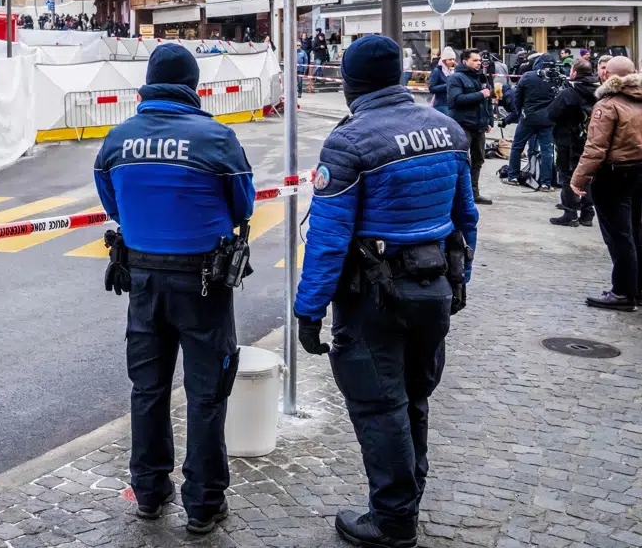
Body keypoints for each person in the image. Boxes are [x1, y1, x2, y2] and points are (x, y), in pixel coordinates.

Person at [294, 34, 478, 548]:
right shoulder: (447, 129)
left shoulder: (350, 142)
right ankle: (410, 494)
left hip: (374, 296)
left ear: (349, 83)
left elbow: (328, 239)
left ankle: (394, 520)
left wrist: (309, 311)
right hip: (434, 285)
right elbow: (466, 218)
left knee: (380, 404)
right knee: (415, 396)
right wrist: (460, 279)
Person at [94, 45, 255, 537]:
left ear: (148, 82)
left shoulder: (118, 141)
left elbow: (112, 201)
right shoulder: (216, 139)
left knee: (148, 390)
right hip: (203, 284)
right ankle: (204, 506)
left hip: (142, 281)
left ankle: (148, 492)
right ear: (193, 84)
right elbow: (242, 205)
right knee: (206, 395)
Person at [571, 57, 642, 311]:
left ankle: (622, 292)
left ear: (609, 76)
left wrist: (579, 178)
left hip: (613, 174)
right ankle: (636, 289)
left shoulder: (608, 105)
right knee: (634, 230)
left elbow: (595, 148)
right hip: (639, 170)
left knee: (618, 234)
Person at [548, 59, 598, 226]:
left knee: (568, 176)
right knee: (586, 176)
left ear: (574, 73)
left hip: (567, 139)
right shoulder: (599, 91)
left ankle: (570, 213)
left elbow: (552, 114)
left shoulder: (569, 93)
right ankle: (587, 213)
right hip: (590, 139)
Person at [445, 49, 496, 205]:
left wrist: (489, 120)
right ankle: (457, 194)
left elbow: (487, 101)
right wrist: (481, 94)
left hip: (479, 126)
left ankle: (473, 193)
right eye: (475, 60)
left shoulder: (481, 77)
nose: (478, 63)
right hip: (463, 125)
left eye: (479, 60)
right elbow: (455, 100)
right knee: (461, 160)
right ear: (465, 61)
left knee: (478, 160)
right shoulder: (456, 78)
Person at [504, 54, 559, 191]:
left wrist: (521, 111)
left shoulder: (528, 76)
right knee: (547, 151)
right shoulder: (556, 77)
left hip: (528, 118)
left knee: (517, 146)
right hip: (547, 119)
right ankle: (546, 183)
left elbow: (517, 98)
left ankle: (513, 177)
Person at [427, 47, 457, 115]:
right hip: (441, 104)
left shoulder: (452, 71)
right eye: (450, 59)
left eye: (453, 59)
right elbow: (431, 88)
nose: (452, 61)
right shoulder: (437, 71)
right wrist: (448, 85)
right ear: (444, 60)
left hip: (451, 104)